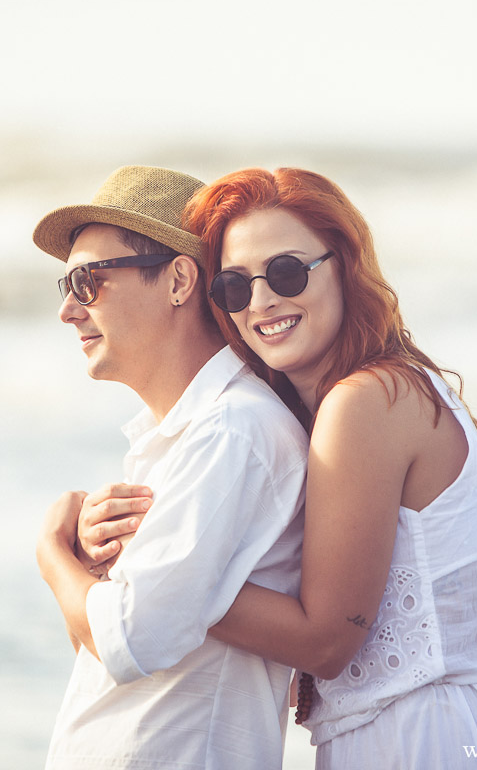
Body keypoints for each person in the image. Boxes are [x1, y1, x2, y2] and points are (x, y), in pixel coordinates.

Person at [82, 167, 477, 769]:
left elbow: (326, 641)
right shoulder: (345, 405)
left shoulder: (364, 402)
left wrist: (155, 567)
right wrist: (165, 558)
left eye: (286, 272)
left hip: (429, 739)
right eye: (234, 286)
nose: (262, 301)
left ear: (343, 263)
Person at [31, 165, 309, 770]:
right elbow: (101, 644)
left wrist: (53, 554)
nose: (69, 311)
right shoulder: (182, 437)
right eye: (66, 287)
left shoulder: (232, 432)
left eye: (87, 281)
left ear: (180, 279)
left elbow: (131, 640)